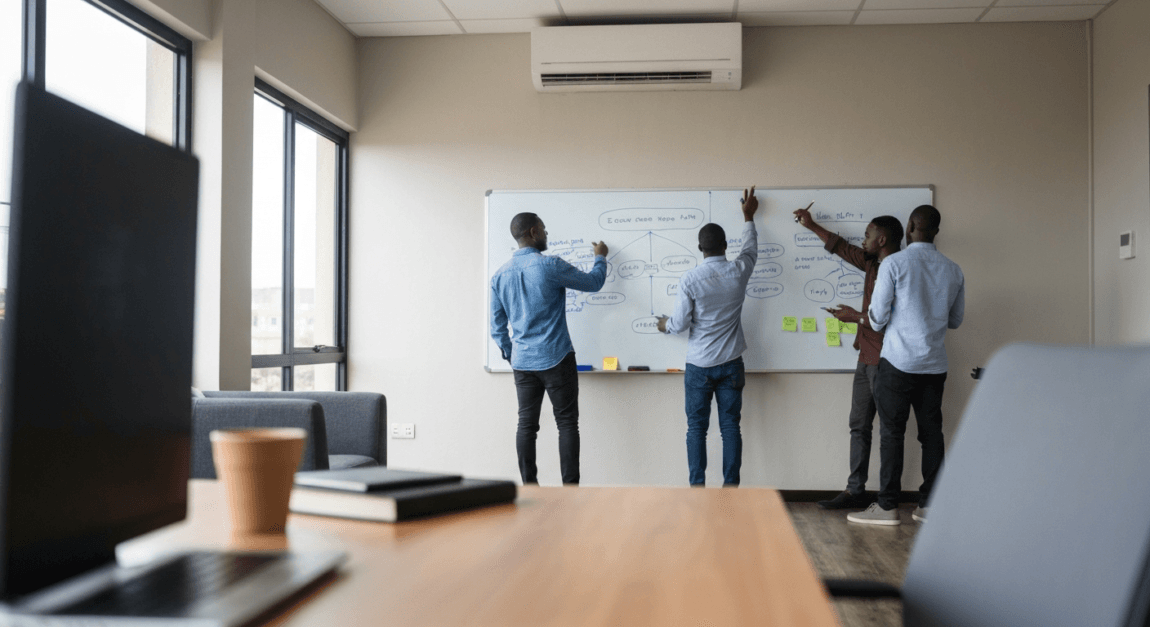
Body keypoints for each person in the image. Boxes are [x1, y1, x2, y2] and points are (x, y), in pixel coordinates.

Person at [847, 204, 964, 526]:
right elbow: (955, 321)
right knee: (932, 434)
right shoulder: (953, 269)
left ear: (911, 226)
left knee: (891, 434)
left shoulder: (895, 263)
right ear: (937, 230)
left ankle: (886, 508)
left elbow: (879, 318)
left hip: (897, 363)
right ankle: (928, 505)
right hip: (934, 366)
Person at [793, 207, 904, 509]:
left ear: (881, 240)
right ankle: (856, 491)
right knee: (859, 425)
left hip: (887, 358)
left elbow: (889, 318)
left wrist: (853, 316)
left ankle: (886, 500)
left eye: (868, 235)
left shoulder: (901, 269)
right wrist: (812, 225)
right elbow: (842, 248)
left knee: (889, 431)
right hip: (865, 357)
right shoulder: (871, 263)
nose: (863, 239)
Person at [490, 213, 609, 486]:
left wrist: (513, 354)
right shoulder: (549, 265)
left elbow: (497, 328)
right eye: (544, 229)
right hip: (557, 357)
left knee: (526, 426)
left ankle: (530, 488)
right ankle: (570, 489)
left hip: (523, 362)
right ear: (533, 232)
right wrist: (600, 257)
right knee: (566, 424)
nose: (546, 234)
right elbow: (593, 283)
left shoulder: (499, 276)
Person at [656, 187, 759, 487]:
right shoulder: (739, 271)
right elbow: (751, 249)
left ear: (699, 248)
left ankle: (697, 487)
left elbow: (679, 323)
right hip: (731, 363)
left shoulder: (690, 279)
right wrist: (748, 217)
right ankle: (730, 487)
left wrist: (664, 325)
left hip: (699, 366)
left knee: (696, 429)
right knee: (730, 428)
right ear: (726, 245)